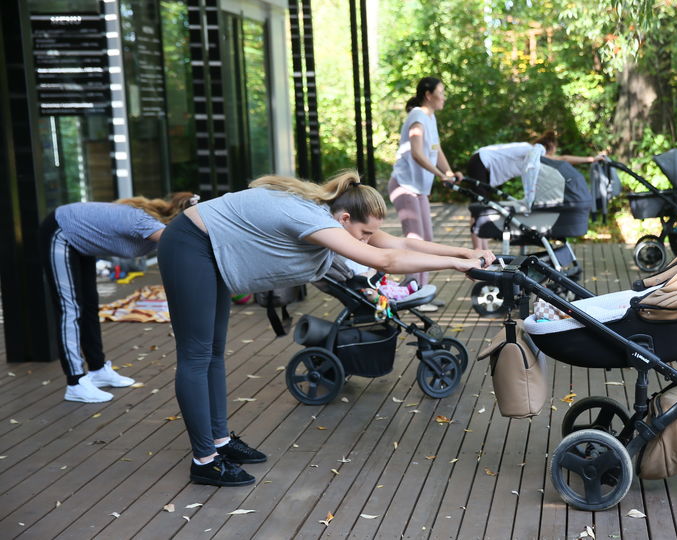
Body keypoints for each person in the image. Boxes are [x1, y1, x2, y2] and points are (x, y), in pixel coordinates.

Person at [157, 170, 494, 487]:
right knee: (197, 355)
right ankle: (205, 462)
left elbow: (399, 245)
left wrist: (464, 251)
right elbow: (385, 261)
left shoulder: (333, 216)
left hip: (212, 250)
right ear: (345, 218)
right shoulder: (312, 219)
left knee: (213, 352)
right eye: (364, 233)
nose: (367, 239)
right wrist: (454, 264)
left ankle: (220, 441)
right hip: (190, 245)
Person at [39, 192, 197, 403]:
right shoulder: (145, 223)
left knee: (89, 304)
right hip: (60, 231)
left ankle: (97, 370)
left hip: (80, 242)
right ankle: (75, 382)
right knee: (70, 308)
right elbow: (184, 245)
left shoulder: (153, 226)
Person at [387, 76, 462, 310]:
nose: (444, 96)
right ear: (428, 95)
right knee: (415, 241)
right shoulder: (418, 116)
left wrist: (448, 171)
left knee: (426, 240)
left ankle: (421, 292)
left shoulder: (430, 117)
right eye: (441, 91)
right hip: (404, 186)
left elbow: (435, 148)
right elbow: (417, 153)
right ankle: (412, 294)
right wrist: (441, 175)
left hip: (418, 189)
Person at [465, 130, 605, 250]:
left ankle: (483, 250)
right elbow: (562, 159)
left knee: (484, 206)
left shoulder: (530, 151)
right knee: (480, 208)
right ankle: (478, 251)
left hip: (481, 161)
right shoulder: (534, 151)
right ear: (550, 146)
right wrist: (591, 159)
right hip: (481, 161)